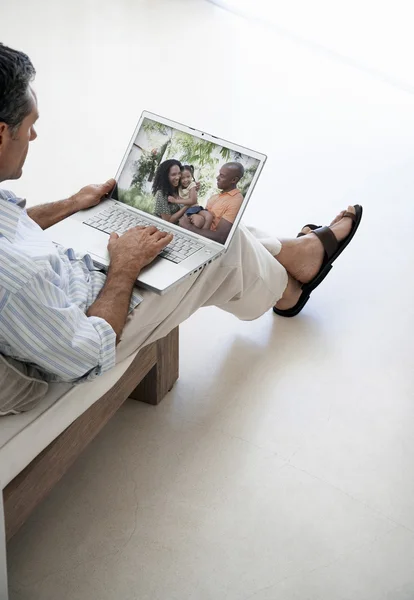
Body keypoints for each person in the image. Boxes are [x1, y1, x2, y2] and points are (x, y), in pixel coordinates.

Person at [0, 43, 362, 387]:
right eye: (30, 124)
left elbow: (10, 222)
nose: (34, 135)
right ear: (2, 133)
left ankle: (294, 254)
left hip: (71, 268)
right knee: (219, 246)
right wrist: (125, 266)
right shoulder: (14, 284)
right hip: (94, 317)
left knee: (206, 224)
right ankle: (288, 290)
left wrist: (72, 203)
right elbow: (88, 353)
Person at [179, 162, 245, 244]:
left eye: (222, 175)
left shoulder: (236, 200)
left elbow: (221, 237)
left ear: (234, 180)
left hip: (204, 242)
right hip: (195, 235)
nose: (217, 177)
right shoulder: (215, 196)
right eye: (219, 174)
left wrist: (188, 227)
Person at [152, 159, 195, 224]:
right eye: (173, 175)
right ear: (166, 177)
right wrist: (187, 205)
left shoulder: (179, 189)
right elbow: (168, 221)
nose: (177, 177)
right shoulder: (161, 194)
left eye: (179, 173)